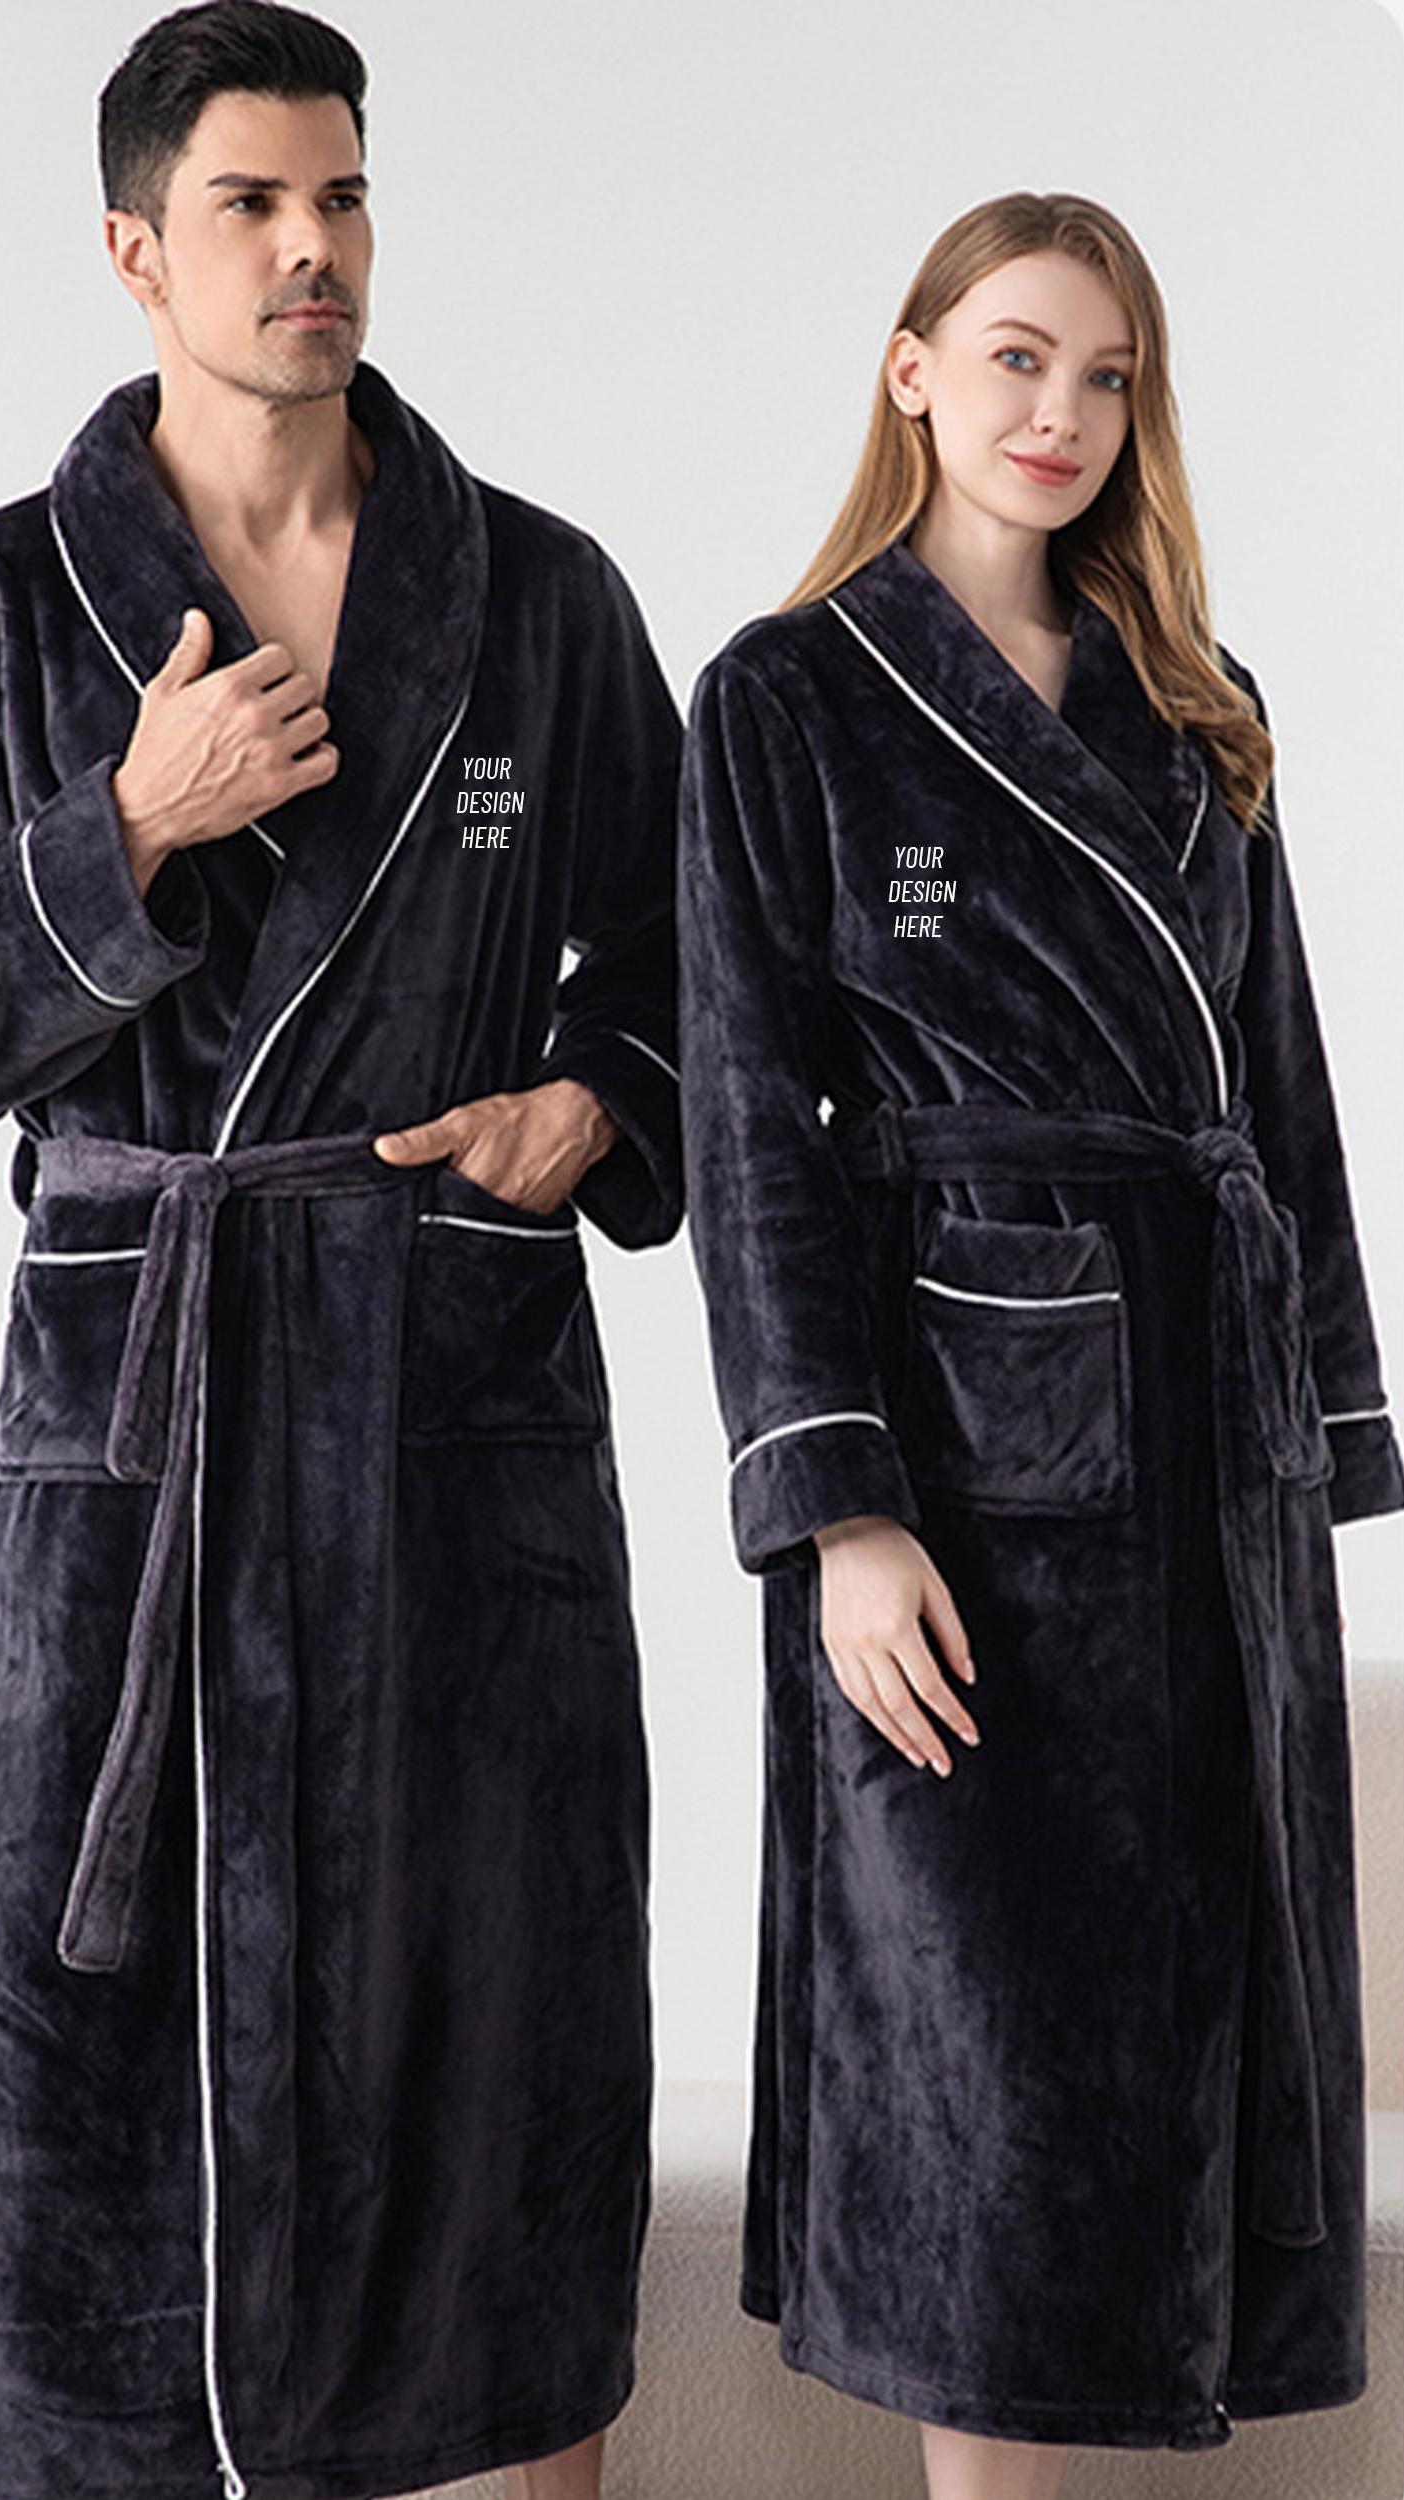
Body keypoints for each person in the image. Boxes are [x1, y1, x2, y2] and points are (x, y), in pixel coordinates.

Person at [0, 7, 682, 2497]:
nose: (315, 248)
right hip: (142, 1429)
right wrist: (123, 829)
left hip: (450, 1412)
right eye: (252, 204)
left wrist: (593, 1097)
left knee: (495, 2032)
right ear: (134, 249)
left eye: (343, 196)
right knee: (92, 2091)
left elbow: (682, 963)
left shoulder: (536, 600)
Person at [676, 188, 1401, 2500]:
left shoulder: (1198, 698)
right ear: (910, 373)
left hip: (1203, 1466)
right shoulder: (787, 697)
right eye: (1012, 356)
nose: (1058, 412)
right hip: (966, 1470)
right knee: (986, 2065)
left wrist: (1323, 1423)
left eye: (1103, 375)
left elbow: (1275, 1095)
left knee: (1179, 2031)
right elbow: (747, 1123)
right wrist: (838, 1507)